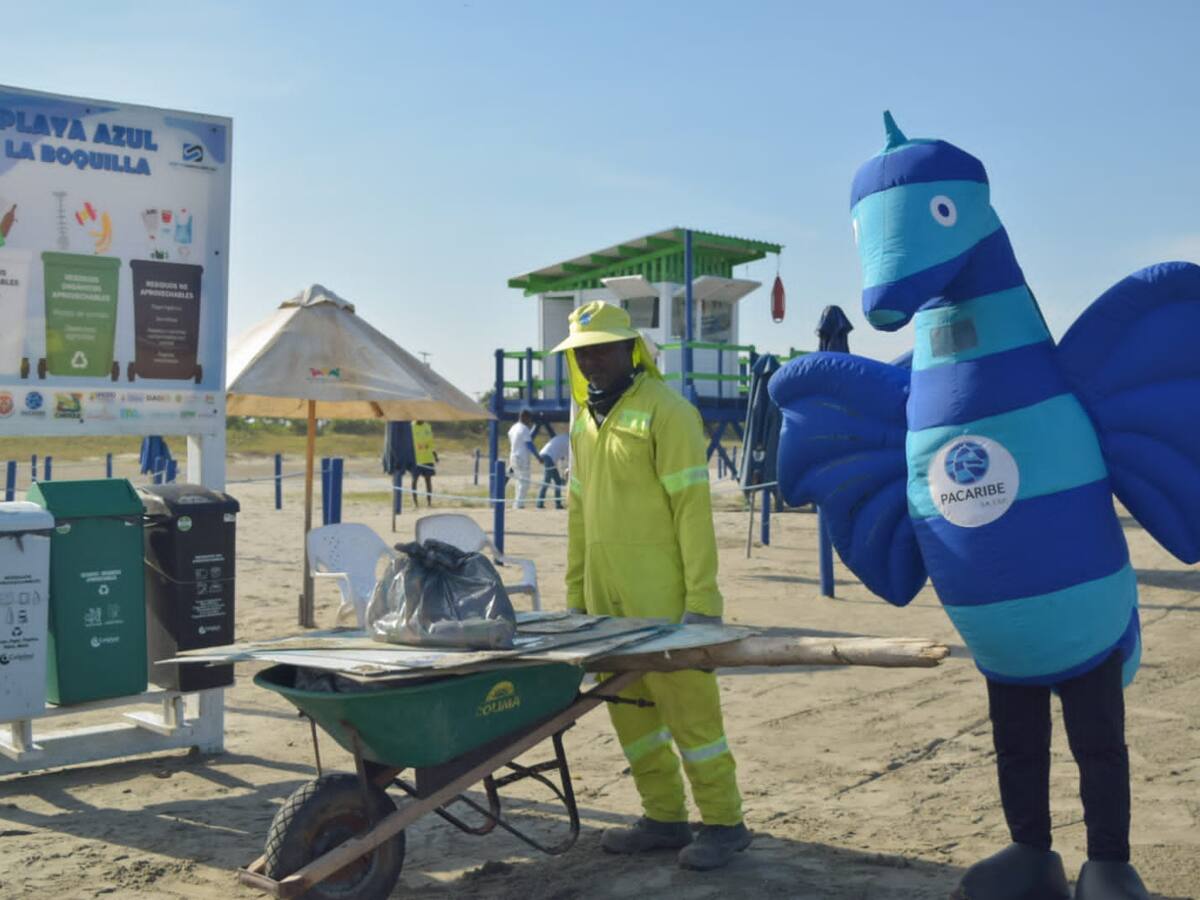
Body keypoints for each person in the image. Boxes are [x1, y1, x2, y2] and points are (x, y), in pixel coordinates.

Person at [550, 300, 751, 871]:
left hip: (665, 598)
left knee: (691, 715)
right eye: (581, 352)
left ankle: (724, 824)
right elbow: (578, 513)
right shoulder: (582, 417)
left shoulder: (669, 411)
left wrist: (703, 605)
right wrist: (575, 599)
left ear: (630, 348)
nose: (591, 361)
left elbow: (692, 511)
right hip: (605, 601)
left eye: (602, 348)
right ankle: (663, 817)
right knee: (631, 713)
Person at [506, 409, 537, 509]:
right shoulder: (524, 429)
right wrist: (538, 456)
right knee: (525, 482)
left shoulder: (513, 428)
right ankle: (519, 504)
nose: (529, 422)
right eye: (529, 419)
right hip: (522, 458)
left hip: (513, 456)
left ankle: (517, 503)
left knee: (518, 481)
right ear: (524, 417)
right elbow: (529, 444)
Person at [536, 431, 569, 510]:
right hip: (548, 457)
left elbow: (562, 456)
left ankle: (558, 504)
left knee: (557, 481)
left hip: (546, 455)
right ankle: (539, 503)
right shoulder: (568, 442)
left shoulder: (563, 437)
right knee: (547, 481)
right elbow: (569, 459)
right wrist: (567, 470)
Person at [411, 420, 437, 507]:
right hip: (416, 460)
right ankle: (415, 503)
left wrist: (435, 455)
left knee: (428, 480)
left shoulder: (427, 426)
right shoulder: (411, 427)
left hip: (427, 458)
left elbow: (431, 443)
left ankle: (429, 502)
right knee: (414, 480)